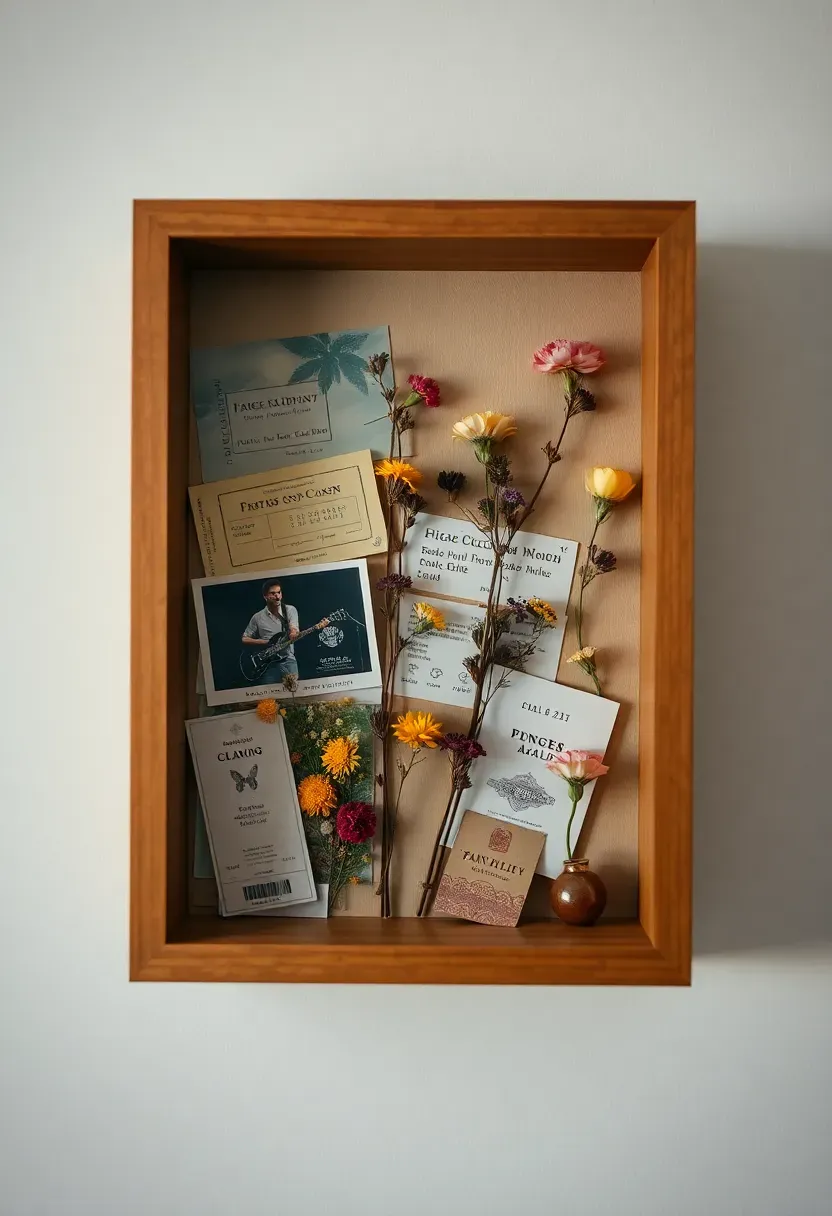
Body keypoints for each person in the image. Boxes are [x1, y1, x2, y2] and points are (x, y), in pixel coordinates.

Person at [241, 580, 327, 686]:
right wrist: (265, 642)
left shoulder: (290, 610)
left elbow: (293, 629)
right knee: (270, 696)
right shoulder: (257, 617)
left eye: (279, 592)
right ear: (265, 596)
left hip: (288, 661)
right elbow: (245, 639)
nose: (277, 596)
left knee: (293, 693)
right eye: (273, 593)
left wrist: (294, 633)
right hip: (268, 665)